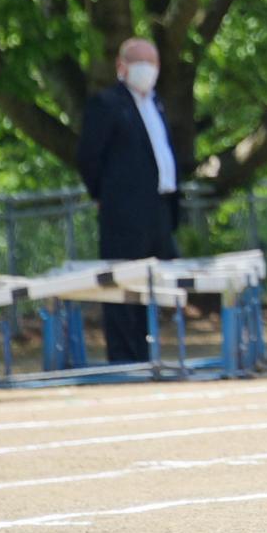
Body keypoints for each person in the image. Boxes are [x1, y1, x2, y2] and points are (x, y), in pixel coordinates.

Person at [75, 37, 184, 365]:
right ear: (122, 67)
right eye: (140, 62)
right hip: (123, 213)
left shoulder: (157, 104)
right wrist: (103, 195)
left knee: (151, 286)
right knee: (122, 286)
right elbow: (88, 157)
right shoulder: (107, 104)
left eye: (152, 63)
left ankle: (146, 353)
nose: (147, 70)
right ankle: (124, 359)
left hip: (159, 210)